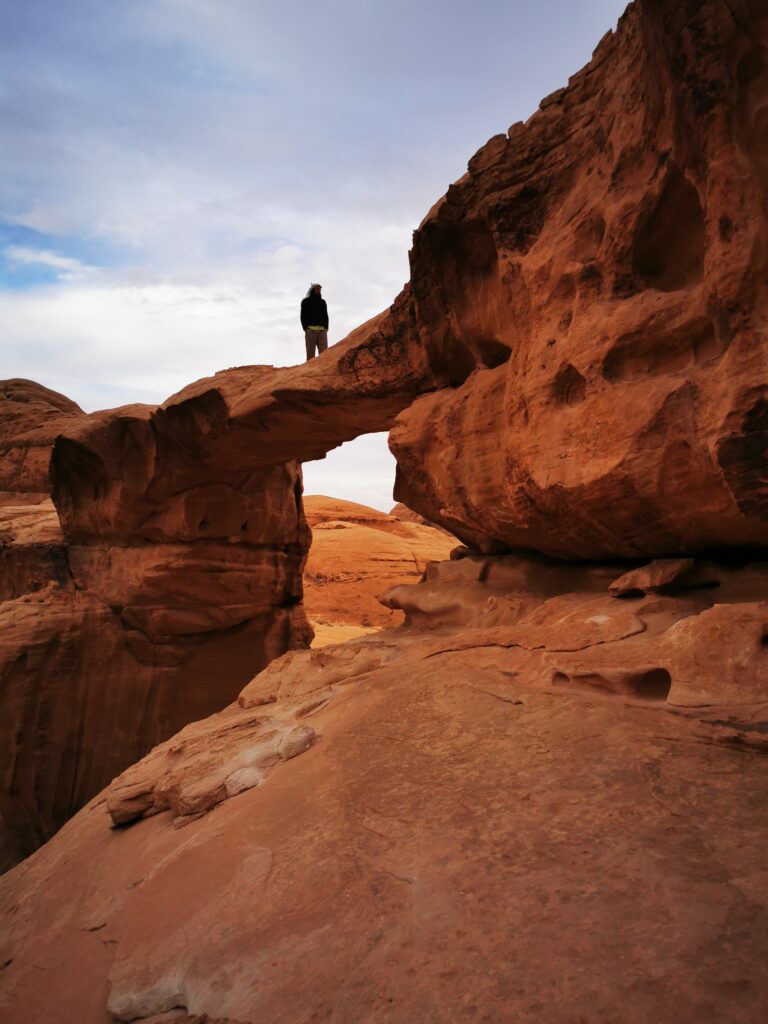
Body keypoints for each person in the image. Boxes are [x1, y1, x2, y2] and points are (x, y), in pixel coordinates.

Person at [300, 283, 329, 361]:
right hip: (310, 331)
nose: (318, 291)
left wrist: (326, 328)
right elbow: (302, 316)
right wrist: (305, 328)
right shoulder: (305, 302)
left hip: (322, 331)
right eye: (317, 289)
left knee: (324, 354)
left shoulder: (323, 302)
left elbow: (325, 315)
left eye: (319, 289)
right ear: (312, 290)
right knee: (310, 355)